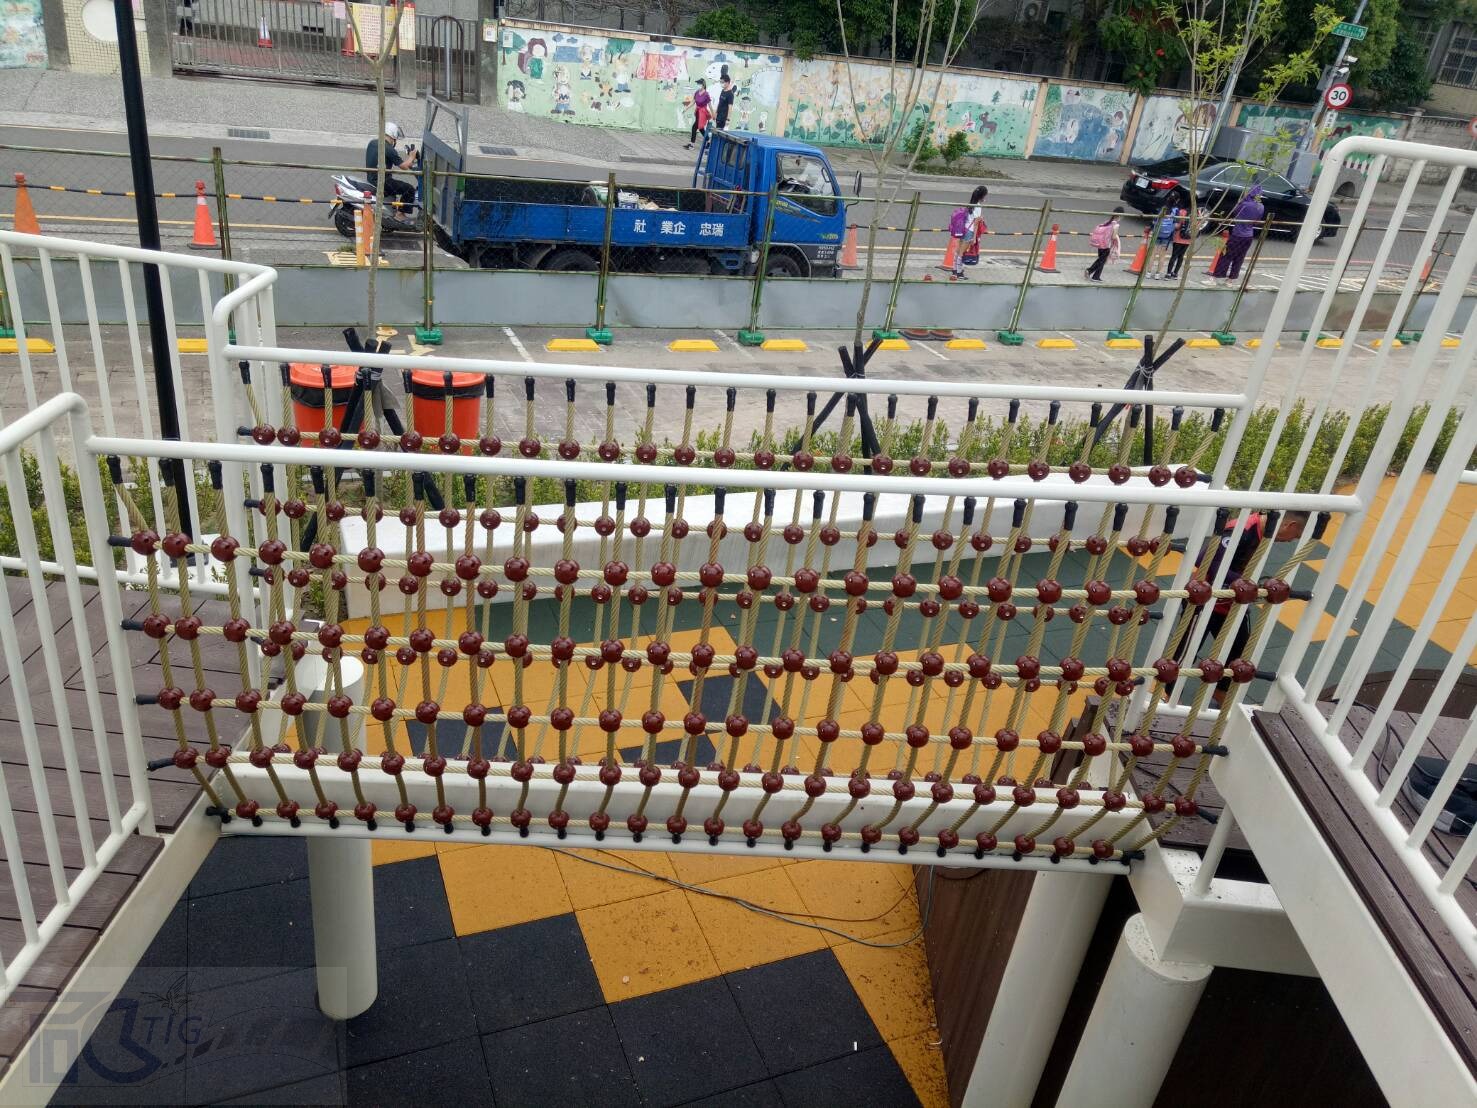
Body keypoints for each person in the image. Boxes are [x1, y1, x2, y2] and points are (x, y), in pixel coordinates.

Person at [1175, 510, 1310, 702]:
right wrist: (1249, 586)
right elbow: (1208, 562)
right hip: (1204, 600)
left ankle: (1220, 693)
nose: (1291, 541)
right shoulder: (1241, 530)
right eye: (1295, 536)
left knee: (1239, 652)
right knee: (1186, 650)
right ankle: (1168, 695)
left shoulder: (1263, 533)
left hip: (1232, 603)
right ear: (1291, 525)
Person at [1207, 185, 1264, 285]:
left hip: (1237, 234)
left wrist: (1240, 201)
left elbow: (1235, 213)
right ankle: (1230, 280)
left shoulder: (1244, 204)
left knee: (1226, 255)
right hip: (1249, 236)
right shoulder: (1261, 207)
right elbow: (1257, 220)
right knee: (1239, 257)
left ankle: (1215, 278)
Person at [364, 121, 418, 214]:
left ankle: (392, 211)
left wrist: (410, 160)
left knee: (397, 186)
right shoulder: (388, 148)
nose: (394, 141)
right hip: (383, 182)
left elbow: (401, 162)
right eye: (395, 139)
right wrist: (412, 157)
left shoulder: (372, 143)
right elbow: (404, 166)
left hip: (371, 179)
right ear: (392, 136)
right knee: (409, 189)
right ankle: (400, 214)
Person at [948, 185, 989, 281]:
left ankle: (954, 270)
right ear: (982, 196)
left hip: (963, 229)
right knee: (961, 253)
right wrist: (974, 238)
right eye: (985, 195)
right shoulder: (978, 206)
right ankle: (959, 273)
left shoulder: (971, 204)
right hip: (970, 232)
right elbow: (976, 223)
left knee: (958, 250)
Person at [1085, 208, 1123, 282]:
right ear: (1119, 216)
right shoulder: (1116, 225)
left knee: (1101, 260)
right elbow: (1113, 237)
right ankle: (1090, 271)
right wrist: (1117, 237)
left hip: (1100, 244)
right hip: (1106, 246)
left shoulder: (1107, 222)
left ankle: (1096, 276)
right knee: (1101, 261)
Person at [1148, 206, 1176, 279]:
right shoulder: (1173, 215)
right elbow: (1174, 227)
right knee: (1162, 256)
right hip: (1166, 237)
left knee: (1152, 254)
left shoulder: (1160, 214)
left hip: (1156, 235)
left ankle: (1148, 272)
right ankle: (1157, 274)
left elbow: (1153, 223)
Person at [1165, 206, 1191, 280]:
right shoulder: (1196, 213)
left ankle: (1168, 273)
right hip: (1188, 239)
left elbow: (1177, 226)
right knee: (1181, 256)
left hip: (1178, 238)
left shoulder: (1181, 212)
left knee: (1174, 256)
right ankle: (1175, 273)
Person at [685, 80, 711, 149]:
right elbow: (693, 102)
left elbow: (710, 105)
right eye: (697, 84)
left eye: (699, 84)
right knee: (701, 128)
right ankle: (709, 141)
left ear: (703, 85)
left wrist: (713, 115)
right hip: (697, 112)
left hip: (702, 113)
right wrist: (686, 108)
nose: (698, 85)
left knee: (694, 127)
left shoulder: (706, 94)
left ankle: (692, 144)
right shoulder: (697, 92)